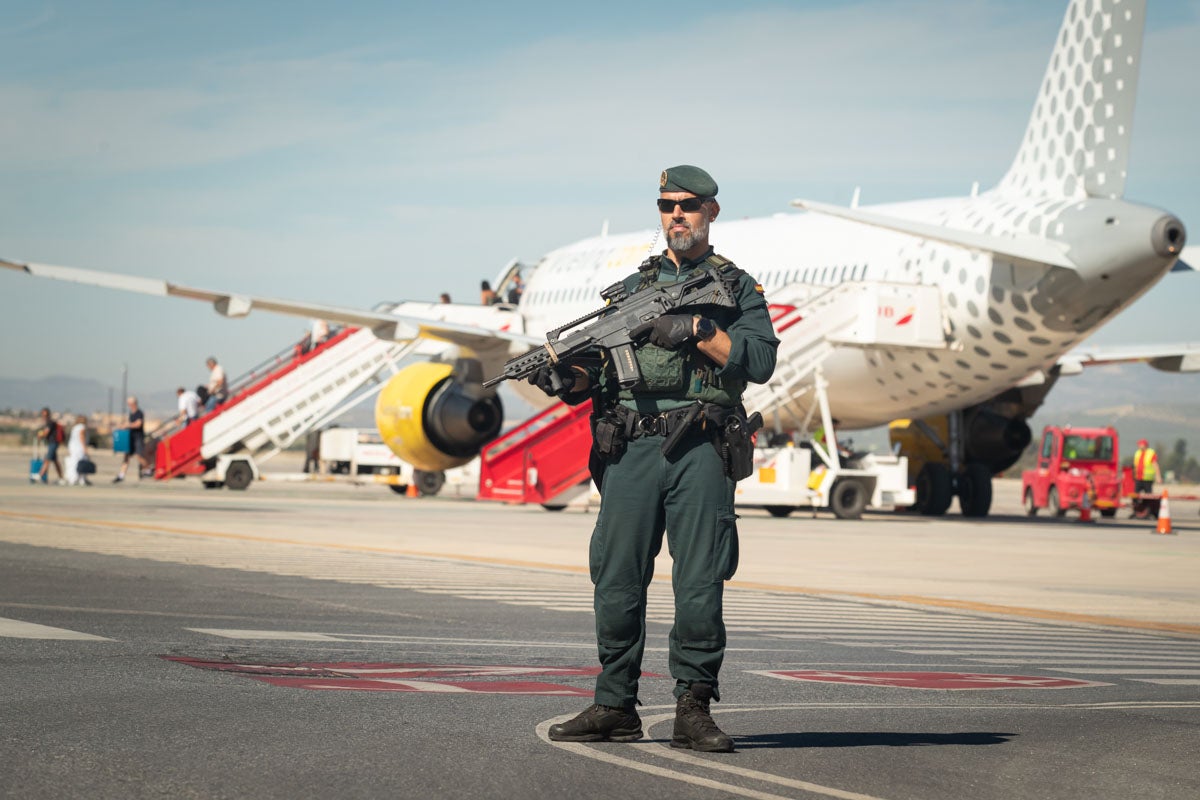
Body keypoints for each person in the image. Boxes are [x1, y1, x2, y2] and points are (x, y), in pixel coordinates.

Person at [530, 165, 779, 752]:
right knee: (615, 579)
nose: (677, 215)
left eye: (689, 205)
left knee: (699, 583)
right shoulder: (632, 292)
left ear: (711, 212)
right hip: (632, 448)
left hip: (700, 446)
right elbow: (601, 367)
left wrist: (695, 329)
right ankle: (615, 704)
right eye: (667, 204)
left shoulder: (737, 288)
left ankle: (693, 708)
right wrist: (571, 377)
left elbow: (761, 362)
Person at [113, 396, 150, 482]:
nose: (128, 405)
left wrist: (127, 425)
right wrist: (123, 427)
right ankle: (121, 475)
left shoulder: (139, 413)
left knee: (138, 455)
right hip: (130, 438)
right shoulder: (132, 413)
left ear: (133, 403)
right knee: (126, 457)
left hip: (138, 438)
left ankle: (148, 469)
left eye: (129, 403)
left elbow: (138, 424)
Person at [34, 407, 65, 484]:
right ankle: (61, 478)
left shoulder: (50, 423)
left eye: (45, 415)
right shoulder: (49, 422)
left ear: (48, 415)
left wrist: (40, 435)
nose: (44, 416)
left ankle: (40, 475)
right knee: (55, 461)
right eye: (43, 415)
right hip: (52, 443)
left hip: (53, 443)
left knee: (47, 459)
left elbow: (46, 433)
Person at [64, 415, 91, 486]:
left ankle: (72, 479)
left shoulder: (75, 427)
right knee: (81, 462)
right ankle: (81, 479)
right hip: (79, 447)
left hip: (72, 447)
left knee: (74, 462)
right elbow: (81, 437)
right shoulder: (82, 427)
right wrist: (85, 448)